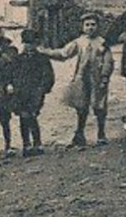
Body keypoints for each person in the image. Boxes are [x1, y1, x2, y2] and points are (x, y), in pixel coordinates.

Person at [47, 12, 116, 147]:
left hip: (97, 77)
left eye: (93, 25)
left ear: (98, 26)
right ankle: (79, 133)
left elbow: (108, 61)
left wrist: (105, 77)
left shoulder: (103, 42)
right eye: (87, 25)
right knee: (81, 106)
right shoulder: (78, 42)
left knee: (99, 105)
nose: (90, 28)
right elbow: (63, 53)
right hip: (82, 77)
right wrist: (46, 52)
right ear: (83, 27)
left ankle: (101, 134)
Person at [10, 29, 56, 156]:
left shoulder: (42, 59)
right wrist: (13, 87)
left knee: (32, 116)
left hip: (35, 92)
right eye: (26, 43)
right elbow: (12, 75)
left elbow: (48, 76)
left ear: (36, 43)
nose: (29, 46)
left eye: (32, 43)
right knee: (23, 117)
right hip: (21, 92)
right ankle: (26, 144)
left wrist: (42, 89)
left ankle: (37, 143)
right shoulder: (18, 59)